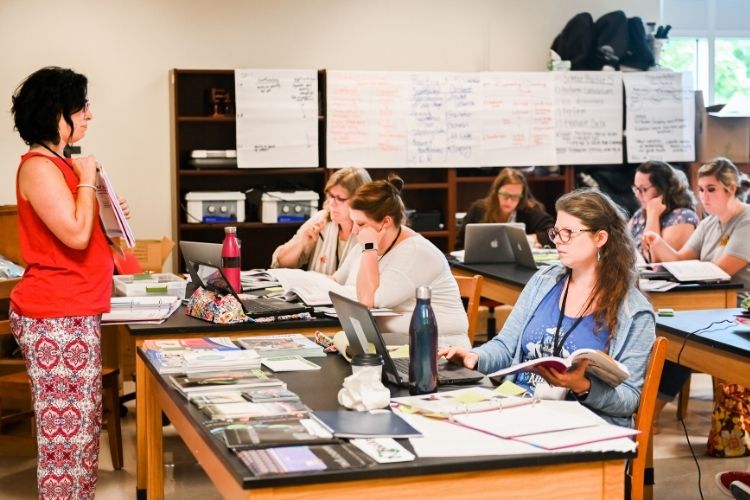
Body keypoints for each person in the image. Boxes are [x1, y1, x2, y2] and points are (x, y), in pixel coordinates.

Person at [9, 67, 130, 499]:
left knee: (81, 439)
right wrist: (86, 180)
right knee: (64, 446)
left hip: (75, 311)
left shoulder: (60, 165)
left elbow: (86, 235)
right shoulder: (40, 167)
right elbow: (75, 236)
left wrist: (106, 210)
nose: (89, 116)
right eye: (81, 107)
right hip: (54, 315)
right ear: (55, 114)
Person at [440, 188, 656, 427]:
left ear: (600, 238)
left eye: (569, 233)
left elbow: (629, 400)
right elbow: (505, 345)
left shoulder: (634, 311)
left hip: (583, 424)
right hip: (520, 407)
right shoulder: (545, 280)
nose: (558, 241)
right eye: (556, 232)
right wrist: (475, 356)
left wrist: (581, 385)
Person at [643, 157, 750, 428]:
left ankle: (647, 416)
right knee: (664, 333)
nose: (704, 196)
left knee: (683, 340)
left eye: (711, 189)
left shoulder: (746, 221)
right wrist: (657, 241)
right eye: (700, 189)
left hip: (738, 306)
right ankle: (642, 409)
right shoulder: (710, 223)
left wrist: (688, 267)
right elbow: (680, 260)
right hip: (709, 302)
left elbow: (721, 272)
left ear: (731, 188)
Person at [333, 174, 470, 349]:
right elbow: (346, 284)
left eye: (360, 224)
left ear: (385, 222)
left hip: (438, 351)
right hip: (396, 346)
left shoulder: (415, 253)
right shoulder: (374, 244)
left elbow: (368, 302)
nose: (353, 231)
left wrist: (368, 249)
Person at [271, 166, 371, 275]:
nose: (332, 203)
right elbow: (280, 263)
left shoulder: (371, 231)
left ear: (360, 201)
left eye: (340, 199)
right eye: (331, 196)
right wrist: (301, 243)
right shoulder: (321, 219)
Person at [455, 167, 555, 250]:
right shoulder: (478, 209)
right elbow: (459, 245)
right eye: (505, 195)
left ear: (522, 196)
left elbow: (553, 234)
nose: (509, 202)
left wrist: (529, 239)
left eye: (515, 197)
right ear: (496, 192)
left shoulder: (529, 210)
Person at [628, 160, 699, 261]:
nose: (637, 195)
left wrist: (653, 215)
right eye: (636, 189)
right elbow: (621, 245)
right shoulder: (640, 214)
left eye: (643, 189)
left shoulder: (683, 217)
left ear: (663, 189)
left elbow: (655, 260)